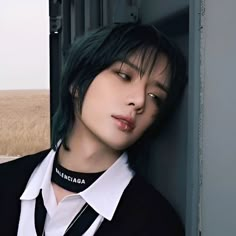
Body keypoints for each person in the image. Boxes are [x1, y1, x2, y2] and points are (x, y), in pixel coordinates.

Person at [0, 23, 187, 236]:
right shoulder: (5, 182)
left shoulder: (158, 224)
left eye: (155, 97)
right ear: (78, 83)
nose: (139, 101)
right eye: (124, 76)